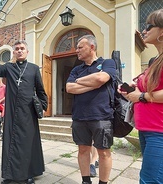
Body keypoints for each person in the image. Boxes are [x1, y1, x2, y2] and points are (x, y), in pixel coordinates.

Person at [0, 39, 48, 184]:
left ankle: (28, 173)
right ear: (13, 52)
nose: (19, 50)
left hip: (28, 112)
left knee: (28, 143)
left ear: (27, 52)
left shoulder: (34, 68)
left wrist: (43, 106)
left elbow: (40, 89)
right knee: (9, 143)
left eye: (22, 48)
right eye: (17, 49)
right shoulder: (9, 67)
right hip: (11, 112)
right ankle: (9, 174)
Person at [118, 9, 163, 183]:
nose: (144, 31)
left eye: (149, 26)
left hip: (159, 131)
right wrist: (133, 87)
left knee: (150, 180)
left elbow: (146, 94)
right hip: (147, 129)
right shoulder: (156, 60)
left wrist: (142, 96)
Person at [66, 35, 116, 184]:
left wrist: (79, 81)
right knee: (82, 150)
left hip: (102, 116)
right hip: (79, 117)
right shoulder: (76, 69)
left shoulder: (108, 63)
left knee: (104, 152)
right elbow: (69, 88)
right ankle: (85, 181)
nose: (77, 50)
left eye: (80, 47)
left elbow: (101, 79)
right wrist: (92, 84)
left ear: (92, 47)